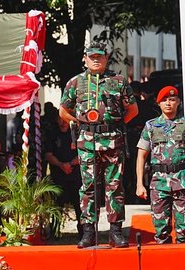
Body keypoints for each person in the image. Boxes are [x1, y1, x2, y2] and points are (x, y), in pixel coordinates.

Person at [59, 41, 138, 249]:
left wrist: (115, 124)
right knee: (89, 188)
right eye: (92, 56)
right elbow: (63, 110)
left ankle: (115, 232)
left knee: (115, 186)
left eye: (99, 56)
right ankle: (88, 232)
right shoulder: (75, 83)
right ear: (85, 58)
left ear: (106, 58)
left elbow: (132, 110)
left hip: (113, 140)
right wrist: (80, 123)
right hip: (87, 142)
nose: (96, 60)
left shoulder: (118, 81)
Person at [135, 86, 185, 244]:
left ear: (178, 102)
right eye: (164, 100)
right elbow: (141, 156)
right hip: (158, 182)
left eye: (172, 100)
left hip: (182, 181)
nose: (168, 103)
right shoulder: (150, 126)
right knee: (161, 230)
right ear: (158, 104)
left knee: (183, 229)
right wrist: (139, 183)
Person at [44, 115, 82, 239]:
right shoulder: (53, 135)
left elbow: (83, 154)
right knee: (57, 204)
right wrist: (61, 165)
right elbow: (48, 155)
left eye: (64, 119)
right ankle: (55, 230)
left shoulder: (76, 133)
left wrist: (70, 164)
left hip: (75, 174)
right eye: (60, 119)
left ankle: (83, 231)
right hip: (58, 175)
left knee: (79, 204)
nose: (63, 122)